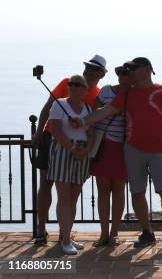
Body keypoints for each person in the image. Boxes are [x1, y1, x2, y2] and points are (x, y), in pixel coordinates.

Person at [75, 57, 162, 251]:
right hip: (133, 150)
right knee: (137, 193)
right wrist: (82, 122)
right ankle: (147, 233)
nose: (130, 72)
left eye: (134, 68)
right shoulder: (126, 95)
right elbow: (105, 111)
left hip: (159, 149)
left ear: (147, 70)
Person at [30, 55, 107, 245]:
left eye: (94, 68)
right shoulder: (68, 82)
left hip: (78, 146)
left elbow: (94, 123)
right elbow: (48, 107)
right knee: (46, 184)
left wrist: (86, 148)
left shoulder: (97, 94)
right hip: (52, 139)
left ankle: (64, 233)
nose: (89, 70)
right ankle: (41, 227)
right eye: (88, 66)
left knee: (72, 191)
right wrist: (39, 132)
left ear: (102, 74)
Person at [47, 74, 93, 255]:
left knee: (73, 197)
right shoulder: (59, 105)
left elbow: (92, 133)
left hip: (81, 153)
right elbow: (56, 130)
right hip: (64, 150)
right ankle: (64, 239)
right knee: (64, 196)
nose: (73, 87)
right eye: (71, 84)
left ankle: (67, 235)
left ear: (84, 89)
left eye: (77, 84)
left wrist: (86, 149)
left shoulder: (88, 108)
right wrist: (72, 148)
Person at [89, 65, 132, 247]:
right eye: (121, 73)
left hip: (122, 147)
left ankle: (114, 232)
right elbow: (94, 114)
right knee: (103, 190)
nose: (123, 77)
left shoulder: (133, 94)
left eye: (127, 74)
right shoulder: (106, 91)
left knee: (119, 190)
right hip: (103, 145)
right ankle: (104, 233)